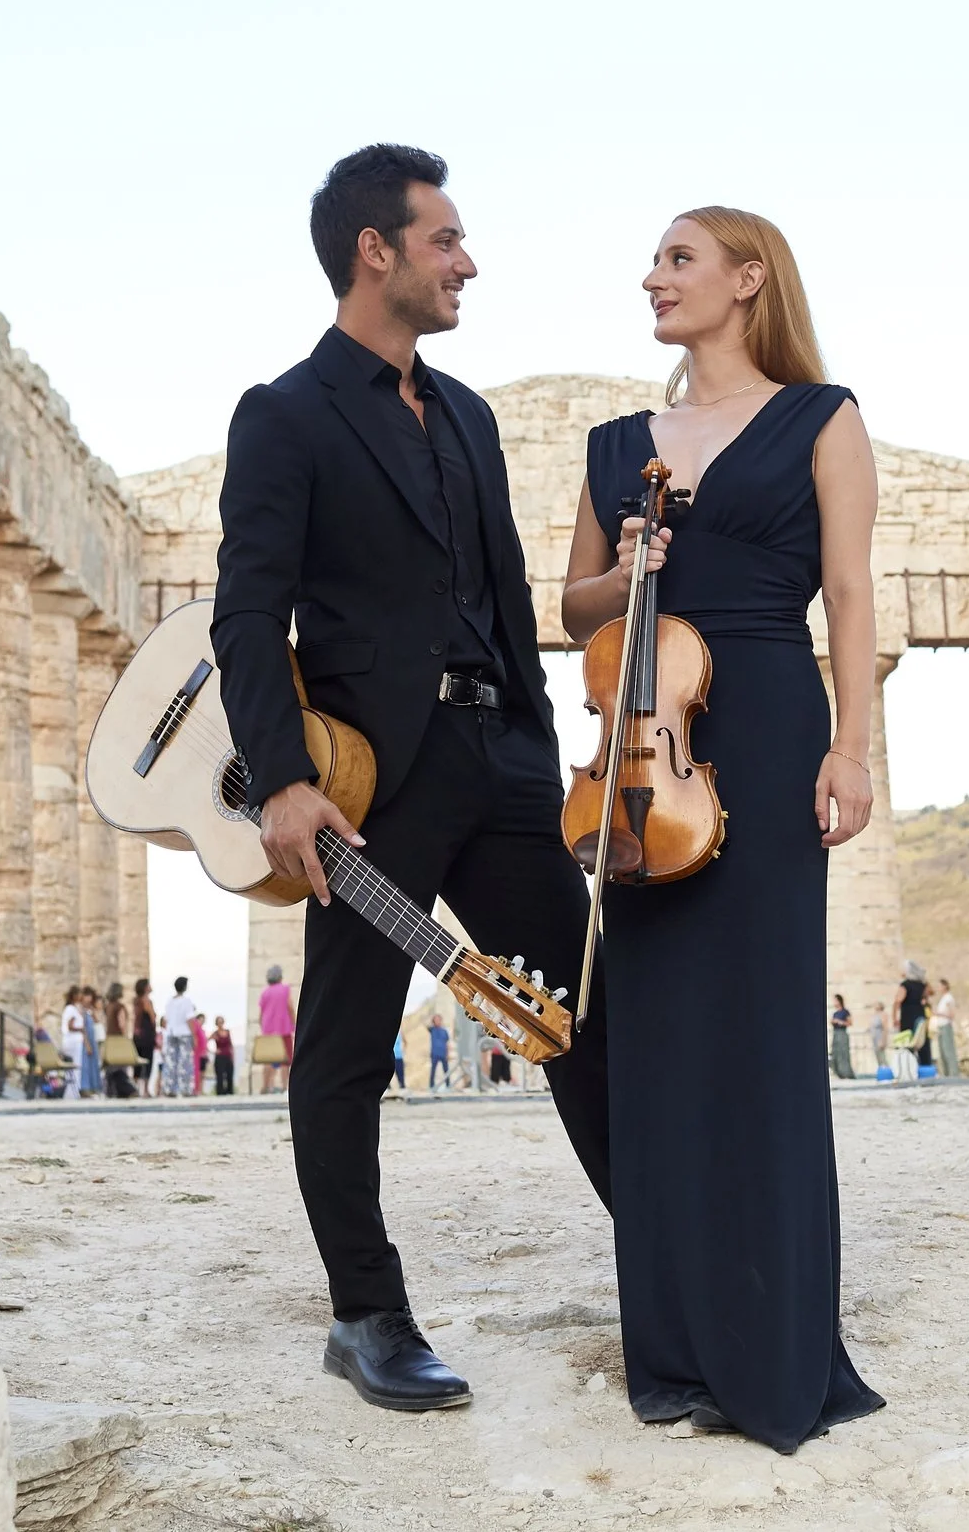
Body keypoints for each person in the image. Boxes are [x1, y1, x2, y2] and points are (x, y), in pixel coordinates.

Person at [210, 146, 611, 1412]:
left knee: (585, 1015)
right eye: (445, 238)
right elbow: (243, 618)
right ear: (374, 250)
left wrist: (540, 762)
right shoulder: (282, 415)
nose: (468, 261)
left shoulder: (475, 419)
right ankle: (366, 1312)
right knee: (343, 1053)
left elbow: (505, 602)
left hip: (498, 762)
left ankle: (667, 1262)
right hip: (370, 786)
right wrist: (281, 780)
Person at [560, 205, 883, 1453]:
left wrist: (849, 746)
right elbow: (570, 602)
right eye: (654, 262)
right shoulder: (610, 444)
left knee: (760, 1037)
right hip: (644, 744)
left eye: (678, 258)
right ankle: (677, 1351)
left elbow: (849, 593)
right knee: (656, 1051)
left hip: (763, 720)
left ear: (748, 280)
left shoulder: (823, 417)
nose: (654, 277)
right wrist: (626, 563)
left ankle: (776, 1346)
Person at [255, 965, 295, 1097]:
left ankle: (266, 1086)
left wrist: (263, 1026)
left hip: (268, 1030)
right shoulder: (285, 989)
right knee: (286, 1060)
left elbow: (261, 1013)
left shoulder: (265, 992)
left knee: (268, 1059)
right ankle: (285, 1086)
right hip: (283, 1028)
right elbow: (290, 1007)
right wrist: (294, 1023)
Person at [159, 977, 201, 1099]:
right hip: (184, 1033)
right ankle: (186, 1088)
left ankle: (169, 1088)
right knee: (185, 1062)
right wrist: (194, 1035)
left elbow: (166, 1019)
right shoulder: (186, 1001)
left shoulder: (169, 1002)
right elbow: (189, 1019)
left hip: (172, 1033)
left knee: (171, 1062)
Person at [927, 977, 960, 1079]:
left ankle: (953, 1073)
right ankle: (946, 1072)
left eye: (940, 986)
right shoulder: (943, 999)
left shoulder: (949, 998)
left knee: (948, 1049)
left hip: (946, 1025)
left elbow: (951, 1014)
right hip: (940, 1026)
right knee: (942, 1050)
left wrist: (938, 1013)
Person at [131, 978, 159, 1088]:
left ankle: (136, 1087)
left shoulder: (136, 1001)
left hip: (138, 1035)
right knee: (148, 1061)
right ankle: (146, 1089)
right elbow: (152, 1018)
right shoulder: (147, 1001)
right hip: (147, 1035)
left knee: (137, 1062)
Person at [828, 993, 854, 1080]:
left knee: (843, 1053)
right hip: (836, 1034)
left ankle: (846, 1073)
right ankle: (838, 1073)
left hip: (842, 1033)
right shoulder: (835, 1013)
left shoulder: (845, 1012)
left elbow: (850, 1023)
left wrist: (839, 1022)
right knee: (835, 1053)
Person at [210, 1014, 236, 1096]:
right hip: (219, 1057)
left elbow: (231, 1045)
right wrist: (213, 1051)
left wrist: (233, 1056)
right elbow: (205, 1042)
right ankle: (220, 1092)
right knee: (220, 1076)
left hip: (228, 1056)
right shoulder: (215, 1033)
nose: (220, 1024)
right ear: (216, 1023)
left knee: (229, 1074)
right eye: (219, 1022)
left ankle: (230, 1092)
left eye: (221, 1022)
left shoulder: (227, 1032)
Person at [427, 1013, 451, 1090]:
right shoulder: (432, 1029)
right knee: (433, 1070)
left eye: (438, 1019)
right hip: (434, 1053)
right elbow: (425, 1024)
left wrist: (448, 1054)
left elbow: (447, 1043)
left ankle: (448, 1086)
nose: (437, 1021)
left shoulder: (444, 1031)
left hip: (443, 1053)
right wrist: (432, 1020)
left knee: (446, 1070)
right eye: (435, 1020)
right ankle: (431, 1086)